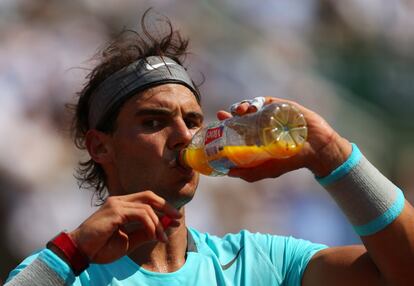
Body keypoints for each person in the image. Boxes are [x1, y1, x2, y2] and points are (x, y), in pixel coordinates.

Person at [5, 10, 414, 286]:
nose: (184, 135)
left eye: (193, 120)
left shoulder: (255, 262)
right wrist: (72, 251)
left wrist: (330, 153)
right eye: (154, 122)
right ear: (100, 147)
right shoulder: (65, 270)